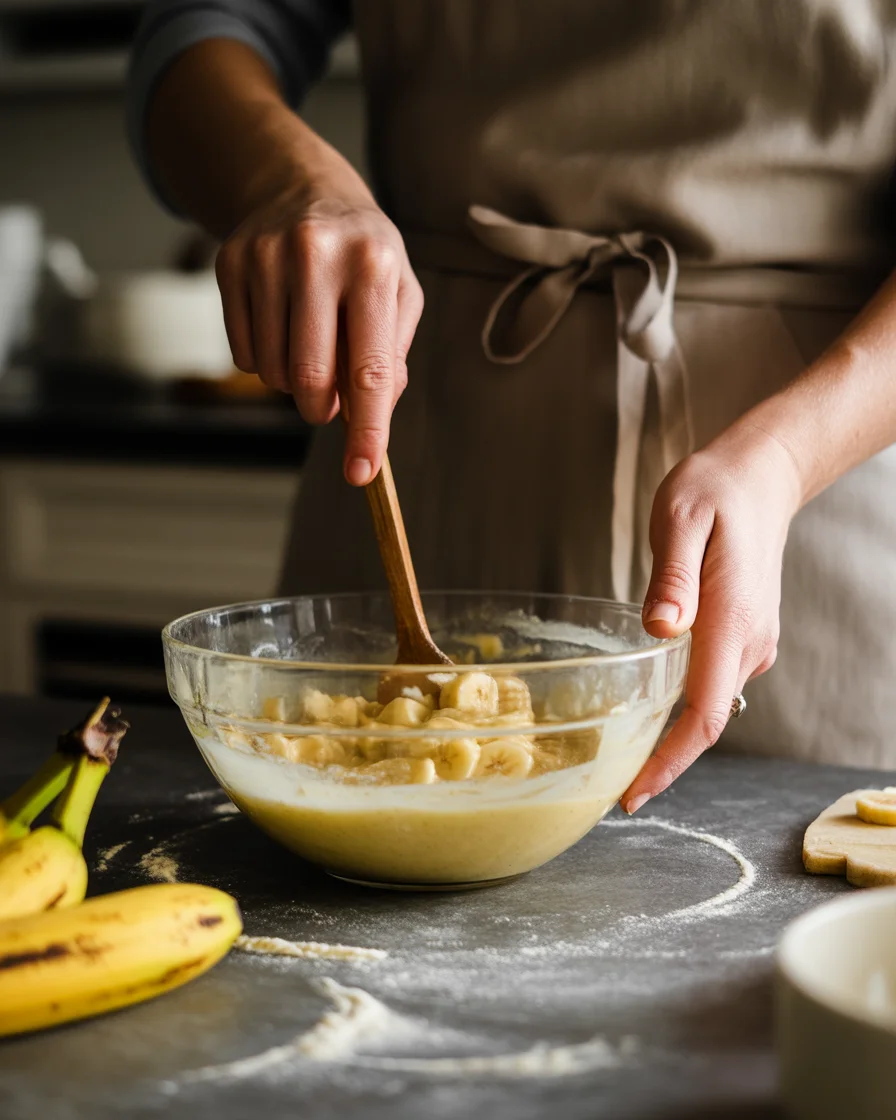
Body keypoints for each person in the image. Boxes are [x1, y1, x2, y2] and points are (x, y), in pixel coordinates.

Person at [128, 2, 896, 811]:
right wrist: (285, 179)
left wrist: (787, 458)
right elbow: (201, 29)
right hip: (421, 437)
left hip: (821, 461)